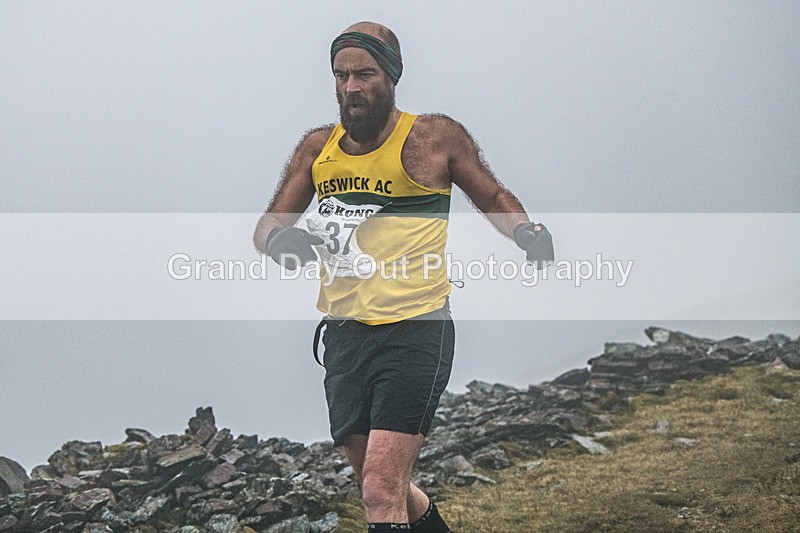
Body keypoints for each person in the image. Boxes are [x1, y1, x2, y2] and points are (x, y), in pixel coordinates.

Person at [253, 21, 553, 532]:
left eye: (365, 74)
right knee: (385, 485)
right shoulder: (316, 149)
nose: (352, 87)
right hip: (345, 337)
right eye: (341, 75)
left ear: (391, 76)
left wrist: (527, 232)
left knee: (378, 489)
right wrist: (285, 242)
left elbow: (493, 196)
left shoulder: (434, 137)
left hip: (416, 330)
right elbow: (268, 227)